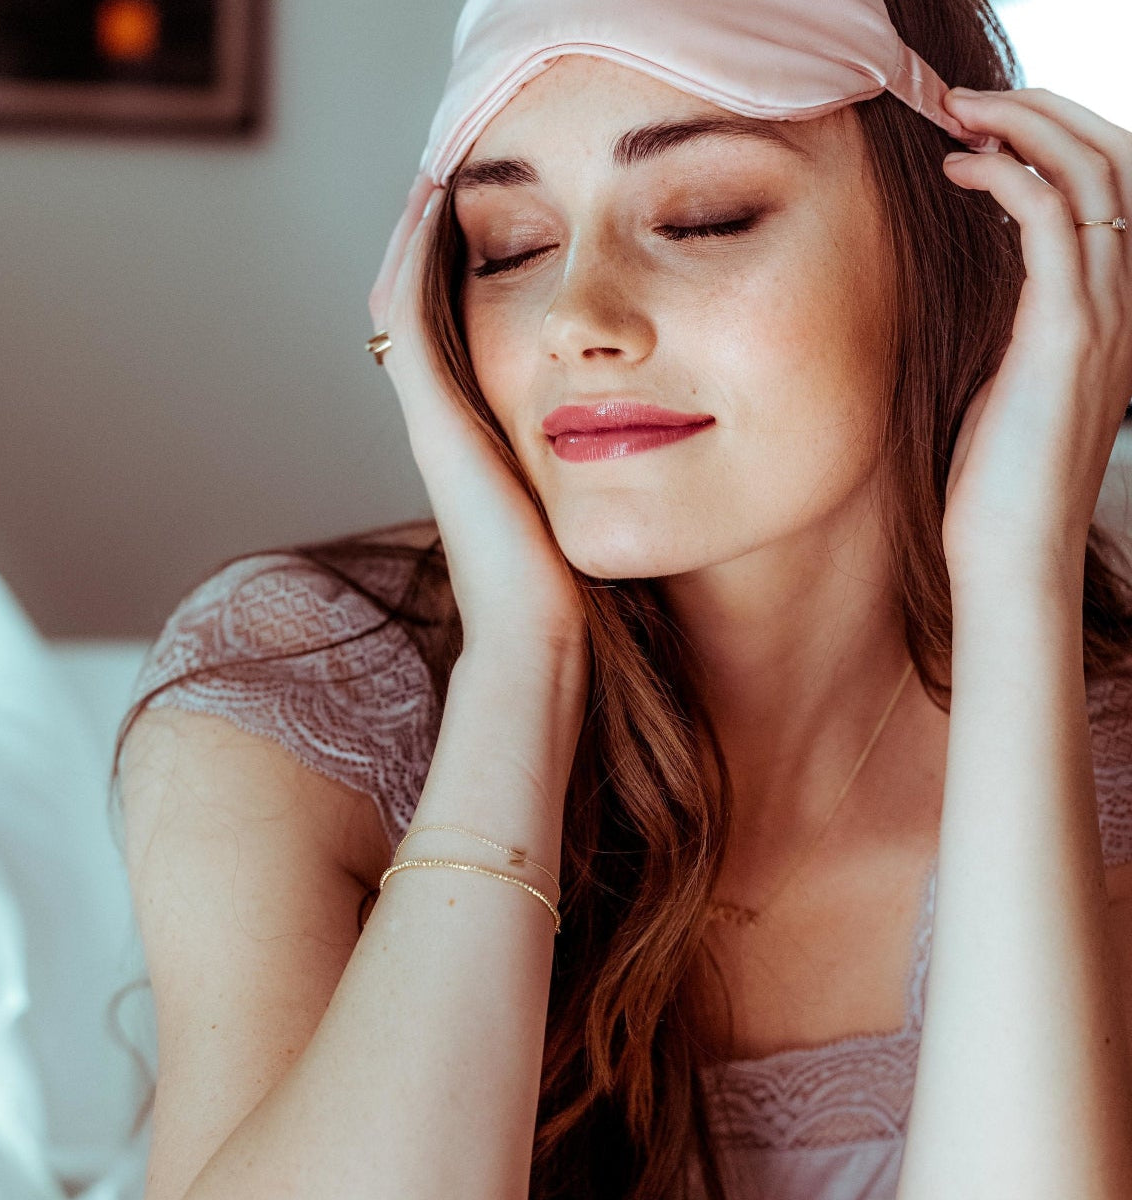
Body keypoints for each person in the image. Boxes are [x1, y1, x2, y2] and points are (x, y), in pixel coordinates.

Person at [112, 0, 1132, 1196]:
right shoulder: (293, 696)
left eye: (704, 219)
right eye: (509, 246)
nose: (575, 320)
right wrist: (522, 664)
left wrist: (1021, 575)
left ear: (967, 238)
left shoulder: (1101, 757)